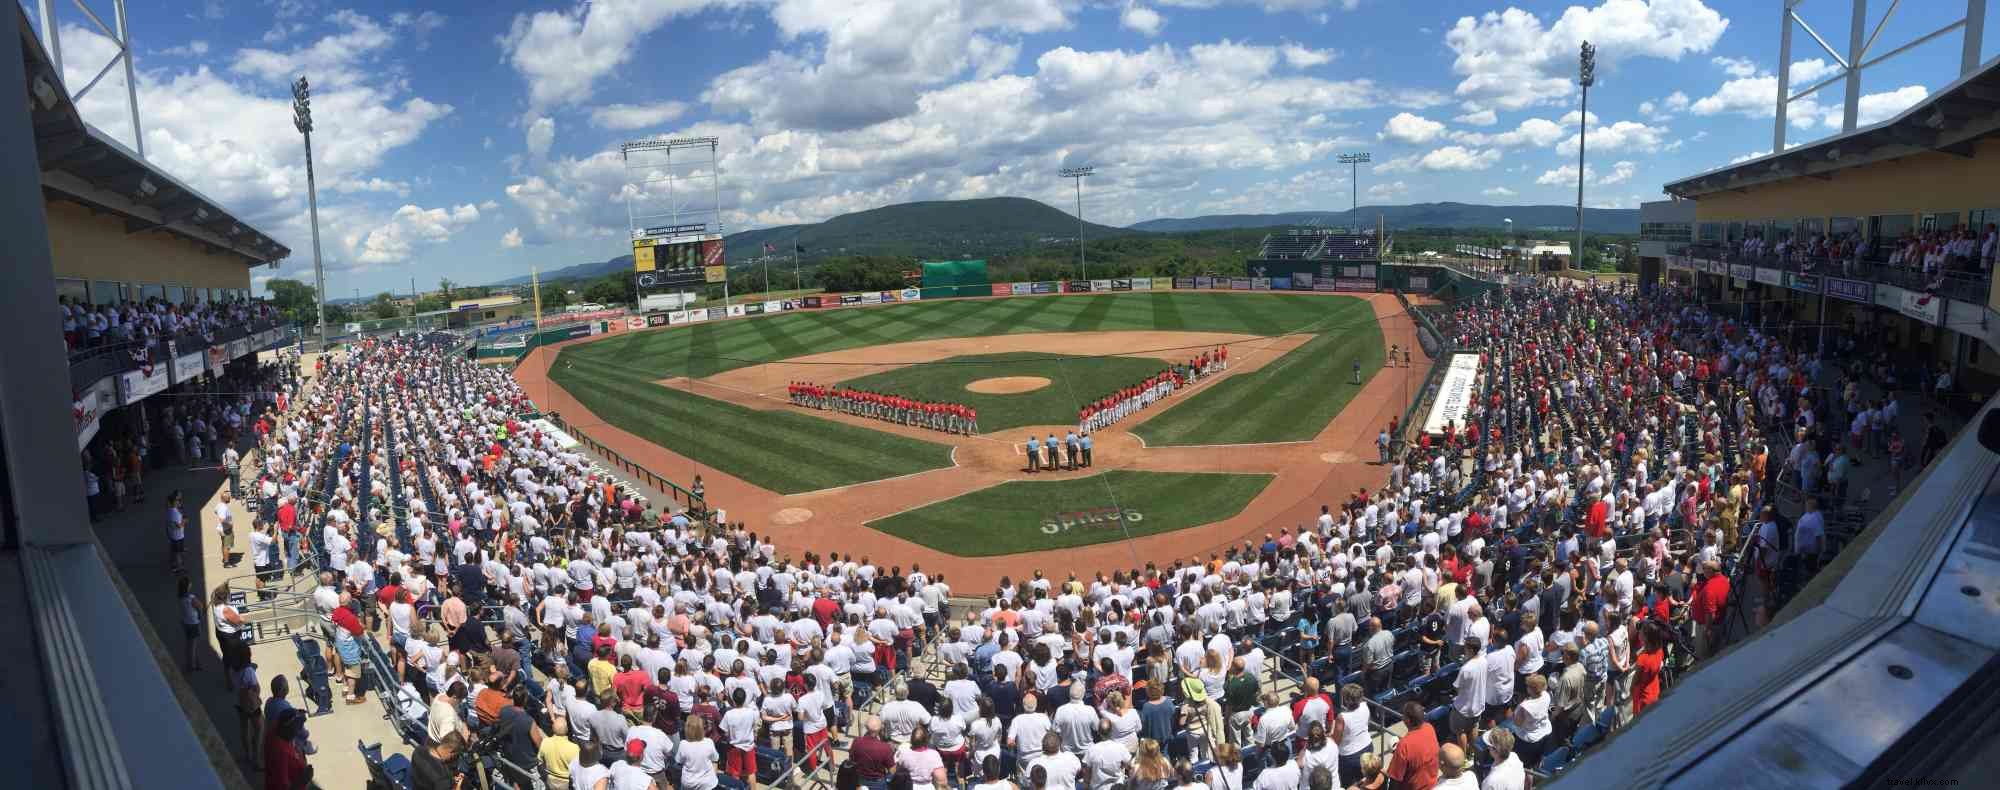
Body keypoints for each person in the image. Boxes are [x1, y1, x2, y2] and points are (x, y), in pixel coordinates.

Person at [1384, 702, 1438, 790]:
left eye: (1403, 715)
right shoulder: (1429, 728)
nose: (1402, 717)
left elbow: (1395, 779)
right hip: (1433, 785)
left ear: (1408, 720)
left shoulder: (1404, 745)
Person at [262, 709, 314, 790]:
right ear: (288, 728)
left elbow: (284, 718)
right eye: (297, 727)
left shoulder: (275, 732)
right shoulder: (281, 752)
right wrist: (304, 779)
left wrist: (296, 713)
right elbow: (284, 787)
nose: (299, 731)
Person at [179, 576, 204, 672]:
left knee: (190, 644)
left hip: (185, 623)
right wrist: (200, 617)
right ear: (187, 586)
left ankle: (196, 663)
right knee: (192, 646)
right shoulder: (191, 598)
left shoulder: (180, 597)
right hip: (193, 624)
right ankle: (191, 666)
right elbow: (200, 607)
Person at [166, 490, 187, 574]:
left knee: (174, 551)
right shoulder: (173, 513)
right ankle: (180, 568)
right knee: (177, 553)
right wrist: (184, 521)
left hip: (175, 535)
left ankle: (174, 565)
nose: (179, 501)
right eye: (177, 500)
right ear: (174, 502)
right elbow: (178, 526)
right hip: (177, 536)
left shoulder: (171, 511)